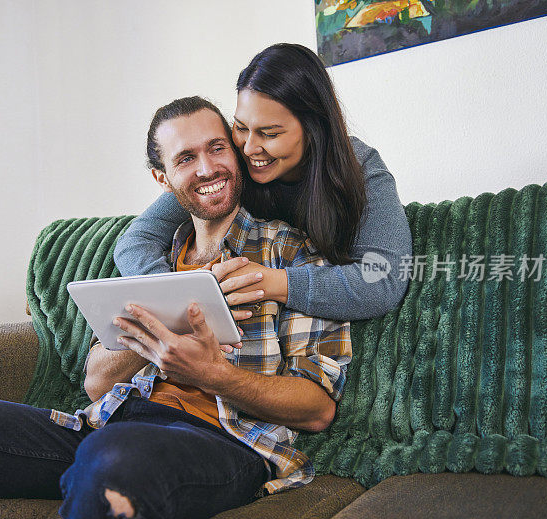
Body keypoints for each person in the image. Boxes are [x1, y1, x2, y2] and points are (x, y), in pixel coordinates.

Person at [0, 97, 351, 519]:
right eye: (185, 157)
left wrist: (215, 375)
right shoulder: (149, 264)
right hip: (105, 424)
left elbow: (317, 408)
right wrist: (164, 319)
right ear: (162, 177)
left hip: (224, 442)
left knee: (110, 462)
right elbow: (95, 382)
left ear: (236, 156)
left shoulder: (292, 256)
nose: (206, 168)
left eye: (217, 149)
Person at [114, 43, 412, 322]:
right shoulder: (227, 167)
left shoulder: (360, 169)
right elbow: (135, 242)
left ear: (313, 129)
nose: (248, 148)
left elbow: (383, 280)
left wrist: (269, 280)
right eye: (241, 127)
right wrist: (173, 297)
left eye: (269, 133)